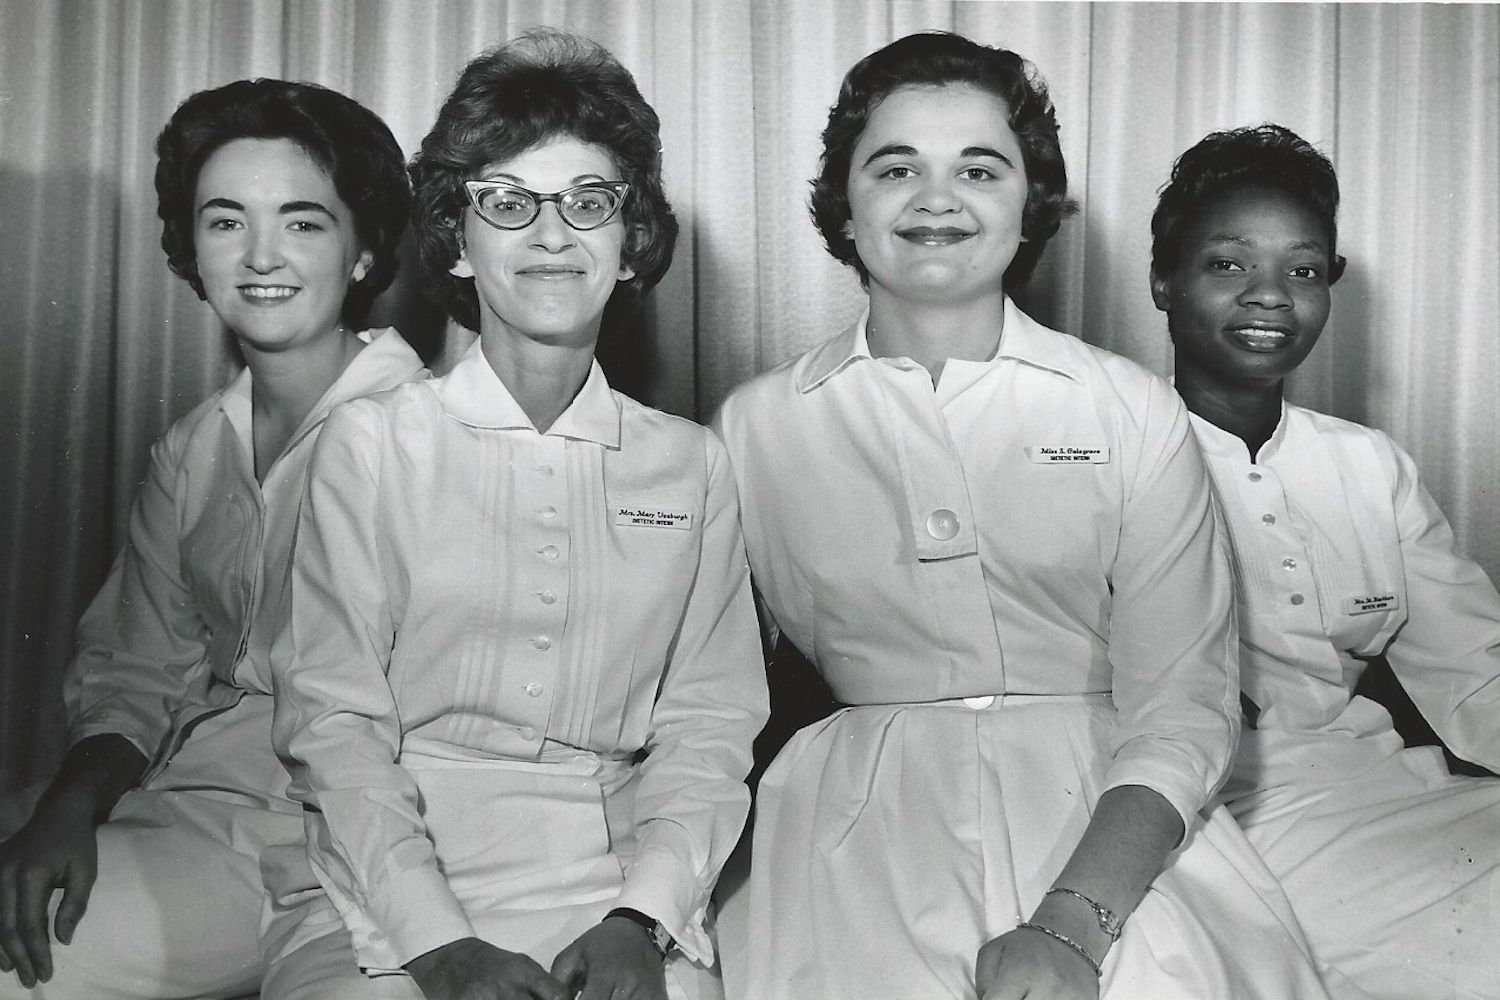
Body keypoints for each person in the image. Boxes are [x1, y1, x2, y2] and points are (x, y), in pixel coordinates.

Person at [713, 32, 1333, 1000]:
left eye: (979, 167)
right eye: (895, 167)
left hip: (1115, 821)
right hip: (850, 828)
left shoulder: (1127, 407)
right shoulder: (754, 426)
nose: (936, 196)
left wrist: (1073, 924)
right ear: (844, 200)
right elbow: (702, 700)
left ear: (1028, 200)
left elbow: (1183, 703)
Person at [260, 30, 768, 1000]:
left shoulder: (691, 463)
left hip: (613, 880)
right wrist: (440, 946)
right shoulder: (371, 444)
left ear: (631, 243)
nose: (550, 234)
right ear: (457, 235)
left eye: (589, 202)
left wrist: (641, 919)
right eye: (507, 201)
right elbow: (334, 724)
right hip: (386, 882)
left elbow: (709, 727)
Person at [0, 79, 422, 999]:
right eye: (226, 221)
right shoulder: (193, 448)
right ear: (190, 249)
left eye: (305, 223)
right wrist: (71, 802)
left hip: (311, 849)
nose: (261, 255)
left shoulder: (431, 435)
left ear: (363, 252)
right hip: (175, 800)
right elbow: (136, 667)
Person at [1152, 123, 1500, 1000]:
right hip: (1220, 817)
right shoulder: (1105, 456)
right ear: (1163, 279)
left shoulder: (1369, 466)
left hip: (1396, 788)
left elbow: (1476, 676)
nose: (1271, 297)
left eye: (1303, 271)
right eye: (1228, 264)